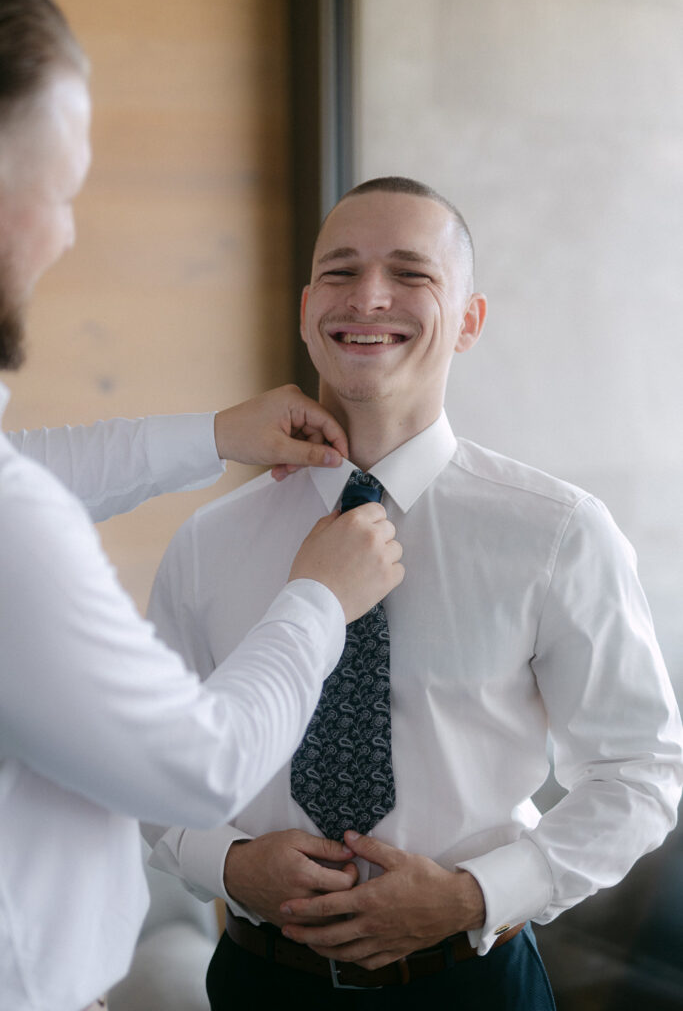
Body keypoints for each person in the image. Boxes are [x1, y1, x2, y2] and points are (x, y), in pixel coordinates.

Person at [146, 176, 683, 1010]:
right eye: (339, 271)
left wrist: (472, 896)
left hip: (474, 987)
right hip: (258, 984)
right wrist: (222, 862)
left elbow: (640, 771)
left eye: (411, 273)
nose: (368, 296)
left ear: (467, 320)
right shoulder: (206, 544)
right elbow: (148, 765)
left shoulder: (555, 532)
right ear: (304, 309)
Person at [0, 0, 404, 1011]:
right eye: (63, 189)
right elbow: (196, 765)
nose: (65, 234)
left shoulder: (554, 530)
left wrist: (210, 435)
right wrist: (316, 599)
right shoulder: (177, 544)